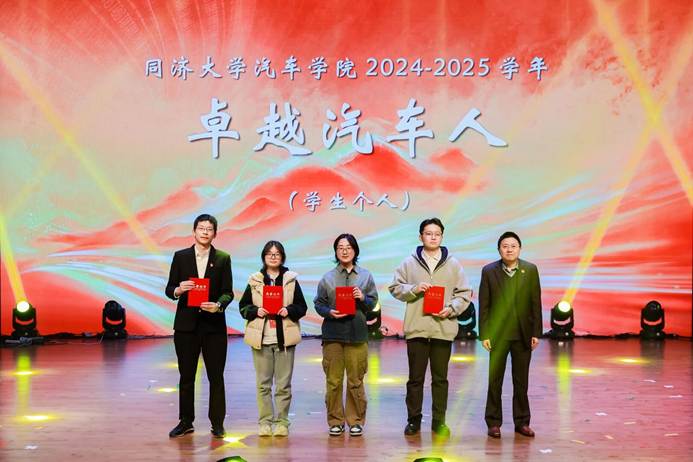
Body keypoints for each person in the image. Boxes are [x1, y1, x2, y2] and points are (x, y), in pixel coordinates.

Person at [389, 217, 472, 437]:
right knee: (415, 379)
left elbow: (464, 293)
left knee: (440, 380)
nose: (433, 237)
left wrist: (451, 309)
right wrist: (414, 289)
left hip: (442, 329)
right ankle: (413, 421)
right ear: (421, 237)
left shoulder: (453, 264)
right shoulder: (409, 262)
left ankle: (439, 421)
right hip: (417, 329)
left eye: (437, 234)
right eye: (428, 233)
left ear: (442, 237)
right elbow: (394, 287)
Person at [165, 214, 233, 439]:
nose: (205, 232)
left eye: (209, 229)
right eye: (201, 228)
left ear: (215, 233)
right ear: (194, 231)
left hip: (213, 327)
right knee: (186, 376)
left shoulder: (223, 258)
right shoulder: (181, 257)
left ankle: (217, 423)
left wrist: (218, 305)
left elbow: (228, 292)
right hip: (186, 326)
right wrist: (178, 290)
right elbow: (169, 288)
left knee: (216, 376)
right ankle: (186, 421)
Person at [239, 241, 308, 437]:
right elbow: (243, 307)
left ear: (282, 257)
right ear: (264, 256)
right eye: (269, 253)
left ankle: (282, 422)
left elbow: (302, 307)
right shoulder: (255, 280)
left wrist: (289, 310)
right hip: (261, 338)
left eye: (277, 253)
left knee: (283, 385)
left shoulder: (290, 280)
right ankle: (265, 422)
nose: (273, 256)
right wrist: (255, 311)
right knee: (263, 384)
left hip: (284, 339)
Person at [314, 233, 379, 437]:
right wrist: (329, 312)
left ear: (355, 250)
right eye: (340, 247)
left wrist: (363, 298)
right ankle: (335, 420)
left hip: (357, 334)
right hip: (333, 334)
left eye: (348, 247)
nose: (344, 251)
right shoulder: (327, 277)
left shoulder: (366, 276)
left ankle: (355, 420)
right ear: (336, 251)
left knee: (355, 380)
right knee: (333, 381)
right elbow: (319, 303)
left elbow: (374, 304)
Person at [479, 231, 542, 439]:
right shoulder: (489, 271)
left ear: (519, 249)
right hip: (498, 335)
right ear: (499, 249)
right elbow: (484, 304)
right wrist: (485, 334)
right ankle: (493, 422)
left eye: (513, 246)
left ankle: (522, 422)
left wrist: (536, 332)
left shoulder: (530, 270)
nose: (509, 250)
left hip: (523, 334)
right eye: (505, 246)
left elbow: (536, 302)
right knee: (494, 380)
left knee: (521, 381)